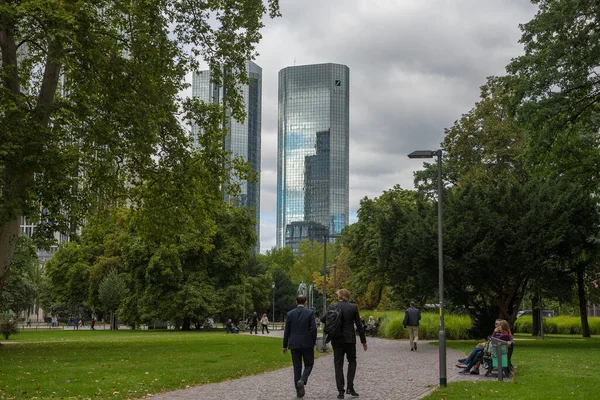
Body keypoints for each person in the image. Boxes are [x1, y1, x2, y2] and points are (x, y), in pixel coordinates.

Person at [321, 288, 367, 399]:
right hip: (349, 339)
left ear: (340, 296)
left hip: (336, 339)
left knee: (338, 363)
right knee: (352, 361)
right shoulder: (353, 307)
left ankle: (340, 391)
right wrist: (363, 341)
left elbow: (323, 319)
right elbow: (359, 326)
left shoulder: (333, 306)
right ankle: (350, 387)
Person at [283, 295, 317, 398]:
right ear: (306, 302)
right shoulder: (310, 313)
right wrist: (313, 341)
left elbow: (287, 331)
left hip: (294, 343)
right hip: (307, 343)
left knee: (297, 367)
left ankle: (298, 391)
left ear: (296, 302)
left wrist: (285, 345)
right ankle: (302, 379)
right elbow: (314, 329)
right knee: (309, 364)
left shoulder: (290, 314)